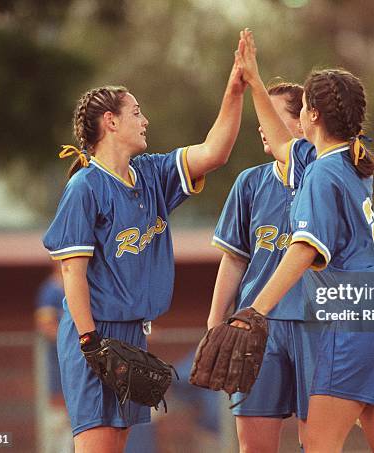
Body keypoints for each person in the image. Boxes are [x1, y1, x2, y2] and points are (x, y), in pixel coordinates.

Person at [42, 49, 246, 453]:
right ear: (110, 122)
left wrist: (236, 88)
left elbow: (215, 152)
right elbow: (72, 273)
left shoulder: (152, 174)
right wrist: (90, 343)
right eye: (136, 112)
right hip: (96, 334)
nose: (145, 119)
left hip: (132, 334)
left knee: (120, 447)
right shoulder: (85, 187)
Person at [233, 29, 374, 453]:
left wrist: (255, 310)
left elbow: (305, 249)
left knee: (319, 442)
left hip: (357, 309)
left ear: (311, 116)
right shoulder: (343, 162)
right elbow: (282, 143)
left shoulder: (322, 172)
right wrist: (255, 82)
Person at [208, 80, 320, 453]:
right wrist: (214, 324)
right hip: (257, 328)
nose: (261, 126)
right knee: (253, 446)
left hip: (315, 325)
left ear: (303, 123)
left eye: (268, 115)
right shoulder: (250, 183)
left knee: (318, 443)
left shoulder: (322, 176)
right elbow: (235, 258)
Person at [34, 262, 74, 453]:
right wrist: (71, 341)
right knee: (59, 412)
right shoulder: (51, 289)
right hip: (58, 358)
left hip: (78, 358)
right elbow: (45, 325)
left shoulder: (77, 284)